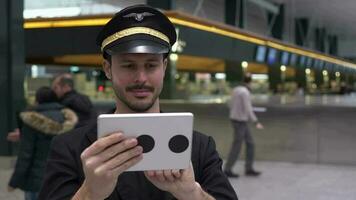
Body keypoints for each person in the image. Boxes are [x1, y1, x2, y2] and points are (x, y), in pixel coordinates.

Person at [38, 4, 238, 200]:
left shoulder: (199, 147)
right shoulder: (70, 148)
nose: (141, 77)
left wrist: (192, 194)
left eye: (151, 65)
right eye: (128, 65)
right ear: (107, 68)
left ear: (164, 67)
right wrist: (89, 193)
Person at [8, 86, 78, 200]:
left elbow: (25, 155)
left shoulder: (31, 121)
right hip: (61, 178)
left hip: (36, 181)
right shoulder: (68, 120)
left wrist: (14, 181)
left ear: (37, 100)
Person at [224, 73, 264, 178]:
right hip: (240, 121)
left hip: (236, 119)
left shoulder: (236, 90)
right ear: (250, 82)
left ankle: (248, 168)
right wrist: (256, 121)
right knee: (237, 145)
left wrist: (234, 112)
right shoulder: (245, 92)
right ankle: (228, 169)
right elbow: (248, 108)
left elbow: (229, 103)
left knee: (250, 143)